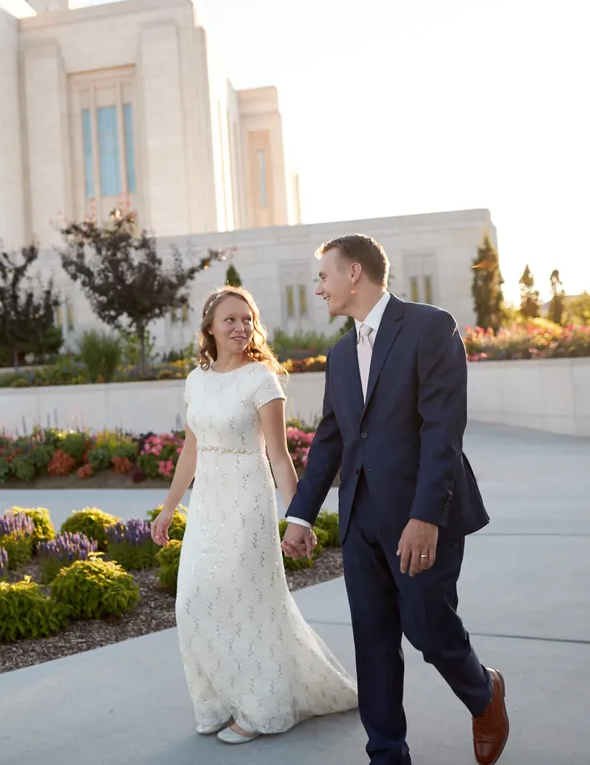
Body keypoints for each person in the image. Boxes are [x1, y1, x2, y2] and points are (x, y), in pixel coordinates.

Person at [281, 234, 510, 765]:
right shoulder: (339, 355)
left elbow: (443, 431)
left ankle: (483, 691)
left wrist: (425, 515)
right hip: (361, 521)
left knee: (430, 632)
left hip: (420, 516)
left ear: (354, 273)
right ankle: (386, 755)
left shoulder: (431, 327)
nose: (319, 289)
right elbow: (331, 440)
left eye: (324, 277)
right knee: (374, 643)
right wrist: (300, 515)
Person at [151, 285, 358, 745]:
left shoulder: (262, 379)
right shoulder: (196, 380)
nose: (241, 326)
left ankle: (265, 709)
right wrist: (169, 509)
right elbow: (191, 450)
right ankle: (217, 701)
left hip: (248, 501)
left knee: (248, 601)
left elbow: (280, 457)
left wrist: (297, 518)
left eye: (247, 319)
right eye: (230, 319)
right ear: (209, 327)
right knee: (193, 603)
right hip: (208, 504)